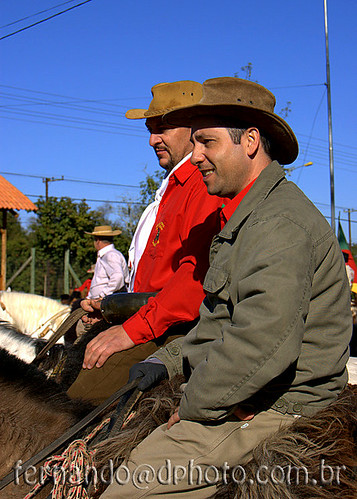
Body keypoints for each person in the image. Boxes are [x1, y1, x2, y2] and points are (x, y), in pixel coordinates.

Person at [100, 77, 352, 498]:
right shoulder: (247, 217)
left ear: (250, 141)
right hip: (248, 382)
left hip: (282, 402)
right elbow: (220, 319)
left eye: (207, 143)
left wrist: (192, 403)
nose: (195, 156)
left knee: (131, 486)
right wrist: (167, 359)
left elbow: (260, 342)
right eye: (194, 143)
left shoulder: (278, 224)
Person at [67, 81, 227, 404]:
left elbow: (191, 287)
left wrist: (129, 330)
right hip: (151, 320)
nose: (152, 139)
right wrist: (112, 309)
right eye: (150, 128)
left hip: (174, 331)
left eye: (162, 127)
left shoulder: (202, 186)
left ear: (193, 128)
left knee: (78, 400)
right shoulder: (173, 187)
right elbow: (149, 282)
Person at [85, 225, 129, 299]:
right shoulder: (105, 255)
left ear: (98, 240)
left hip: (108, 301)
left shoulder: (111, 255)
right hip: (104, 299)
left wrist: (103, 295)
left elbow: (118, 277)